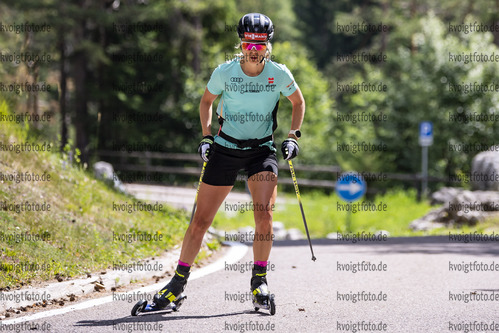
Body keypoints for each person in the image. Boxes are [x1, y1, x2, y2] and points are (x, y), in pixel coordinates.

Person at [152, 12, 305, 311]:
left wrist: (293, 136)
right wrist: (206, 136)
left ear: (268, 46)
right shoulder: (224, 72)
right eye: (249, 44)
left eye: (260, 45)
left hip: (261, 151)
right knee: (200, 222)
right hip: (224, 148)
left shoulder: (279, 73)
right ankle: (177, 284)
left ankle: (259, 280)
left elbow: (297, 102)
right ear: (241, 43)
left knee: (265, 216)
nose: (254, 50)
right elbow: (206, 102)